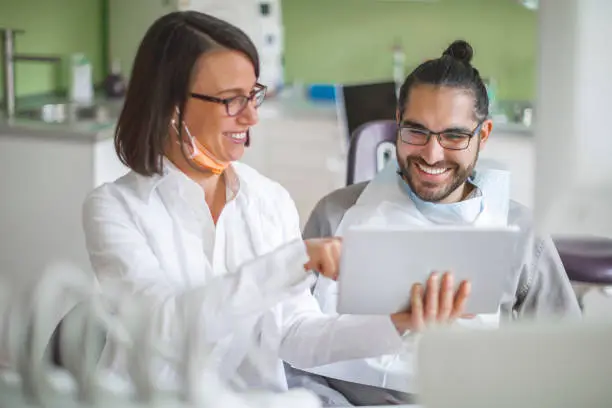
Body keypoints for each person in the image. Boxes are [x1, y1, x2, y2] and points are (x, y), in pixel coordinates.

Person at [81, 11, 469, 397]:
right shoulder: (116, 209)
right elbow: (162, 328)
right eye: (232, 100)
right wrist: (294, 262)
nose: (252, 116)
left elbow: (296, 334)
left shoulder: (268, 200)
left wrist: (397, 323)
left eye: (253, 95)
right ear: (172, 105)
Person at [291, 40, 582, 405]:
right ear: (397, 123)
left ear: (484, 135)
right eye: (417, 131)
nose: (432, 153)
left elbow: (566, 363)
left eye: (455, 136)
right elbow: (290, 349)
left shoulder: (520, 235)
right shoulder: (334, 215)